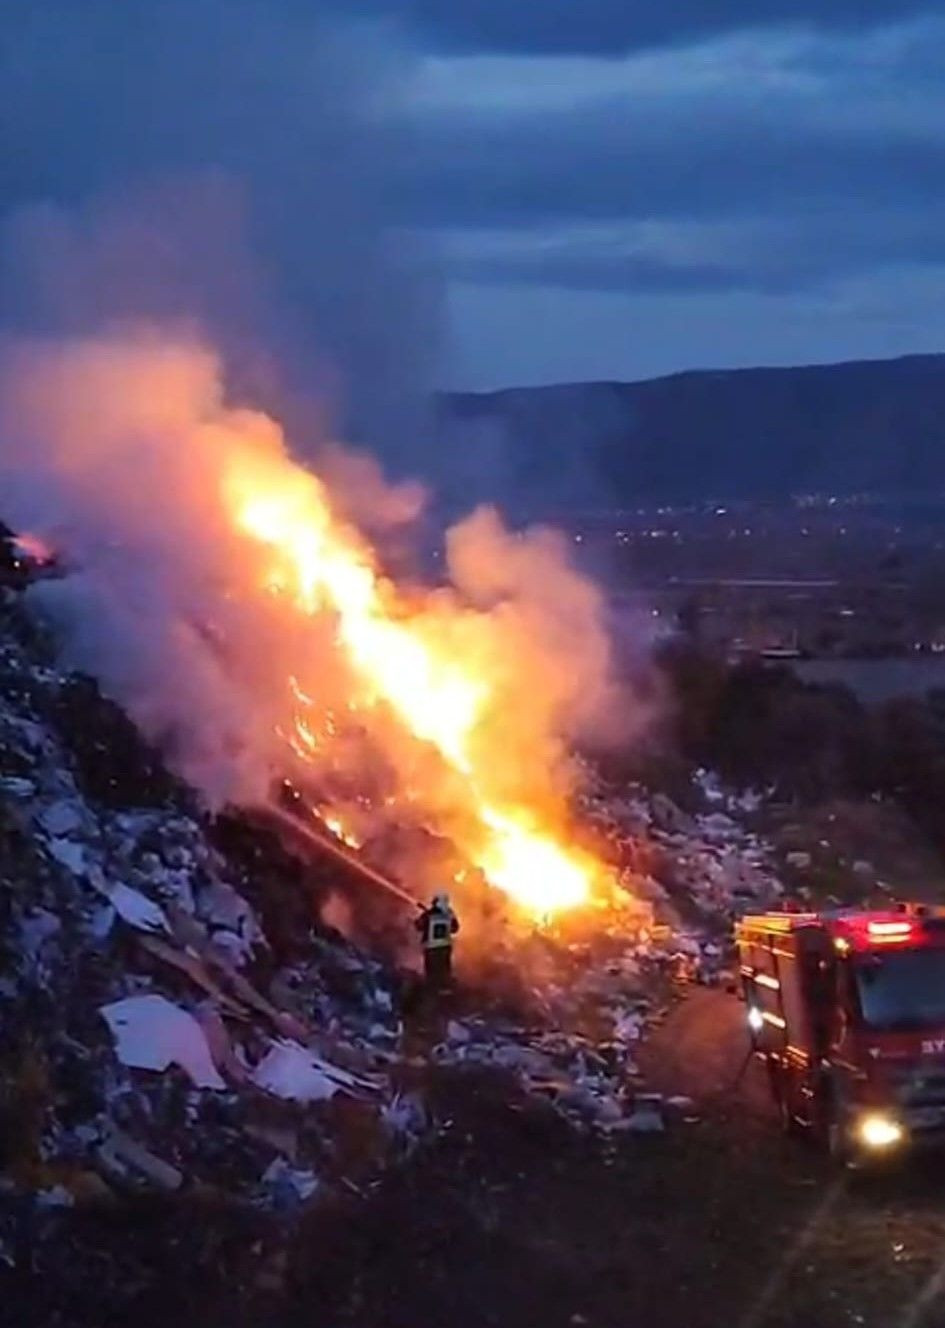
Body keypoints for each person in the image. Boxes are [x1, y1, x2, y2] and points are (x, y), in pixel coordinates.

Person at [416, 891, 459, 990]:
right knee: (444, 970)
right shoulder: (449, 914)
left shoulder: (428, 914)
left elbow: (418, 926)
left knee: (431, 971)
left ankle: (432, 990)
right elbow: (455, 929)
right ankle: (445, 990)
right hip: (445, 949)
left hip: (431, 948)